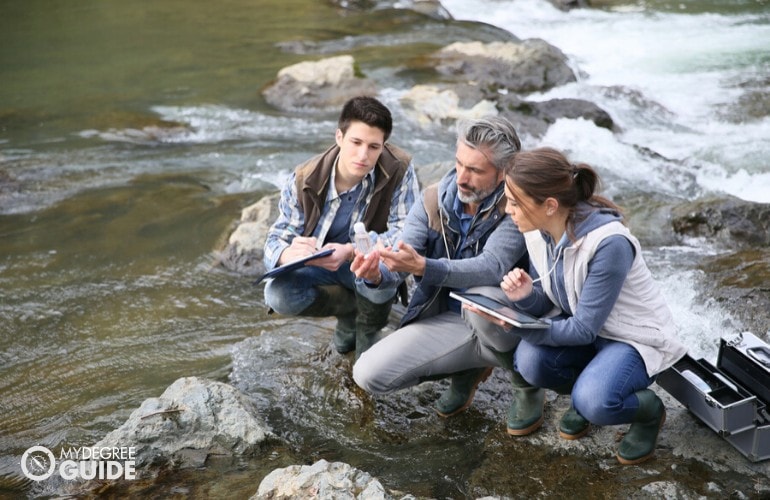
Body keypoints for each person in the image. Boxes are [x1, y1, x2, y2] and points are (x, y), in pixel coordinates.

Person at [463, 146, 687, 464]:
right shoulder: (540, 231)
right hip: (592, 333)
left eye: (514, 202)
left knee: (596, 401)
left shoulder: (609, 244)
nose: (506, 210)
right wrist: (527, 297)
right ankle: (585, 395)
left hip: (632, 339)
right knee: (530, 361)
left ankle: (648, 411)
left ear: (550, 205)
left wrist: (520, 326)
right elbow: (559, 303)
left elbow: (581, 329)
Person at [351, 116, 540, 435]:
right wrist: (375, 274)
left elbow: (491, 267)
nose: (462, 177)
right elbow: (401, 259)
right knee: (368, 374)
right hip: (450, 321)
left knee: (479, 301)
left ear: (504, 172)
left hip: (506, 321)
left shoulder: (518, 205)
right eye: (459, 163)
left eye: (475, 170)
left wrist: (425, 267)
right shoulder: (431, 200)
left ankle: (526, 386)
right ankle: (468, 369)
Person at [262, 96, 420, 359]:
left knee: (383, 262)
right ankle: (349, 313)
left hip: (365, 264)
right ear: (339, 137)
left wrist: (349, 251)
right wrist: (289, 254)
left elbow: (406, 234)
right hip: (320, 267)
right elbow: (275, 239)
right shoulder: (305, 178)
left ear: (383, 146)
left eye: (373, 146)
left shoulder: (399, 169)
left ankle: (369, 327)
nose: (363, 155)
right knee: (277, 294)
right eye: (355, 142)